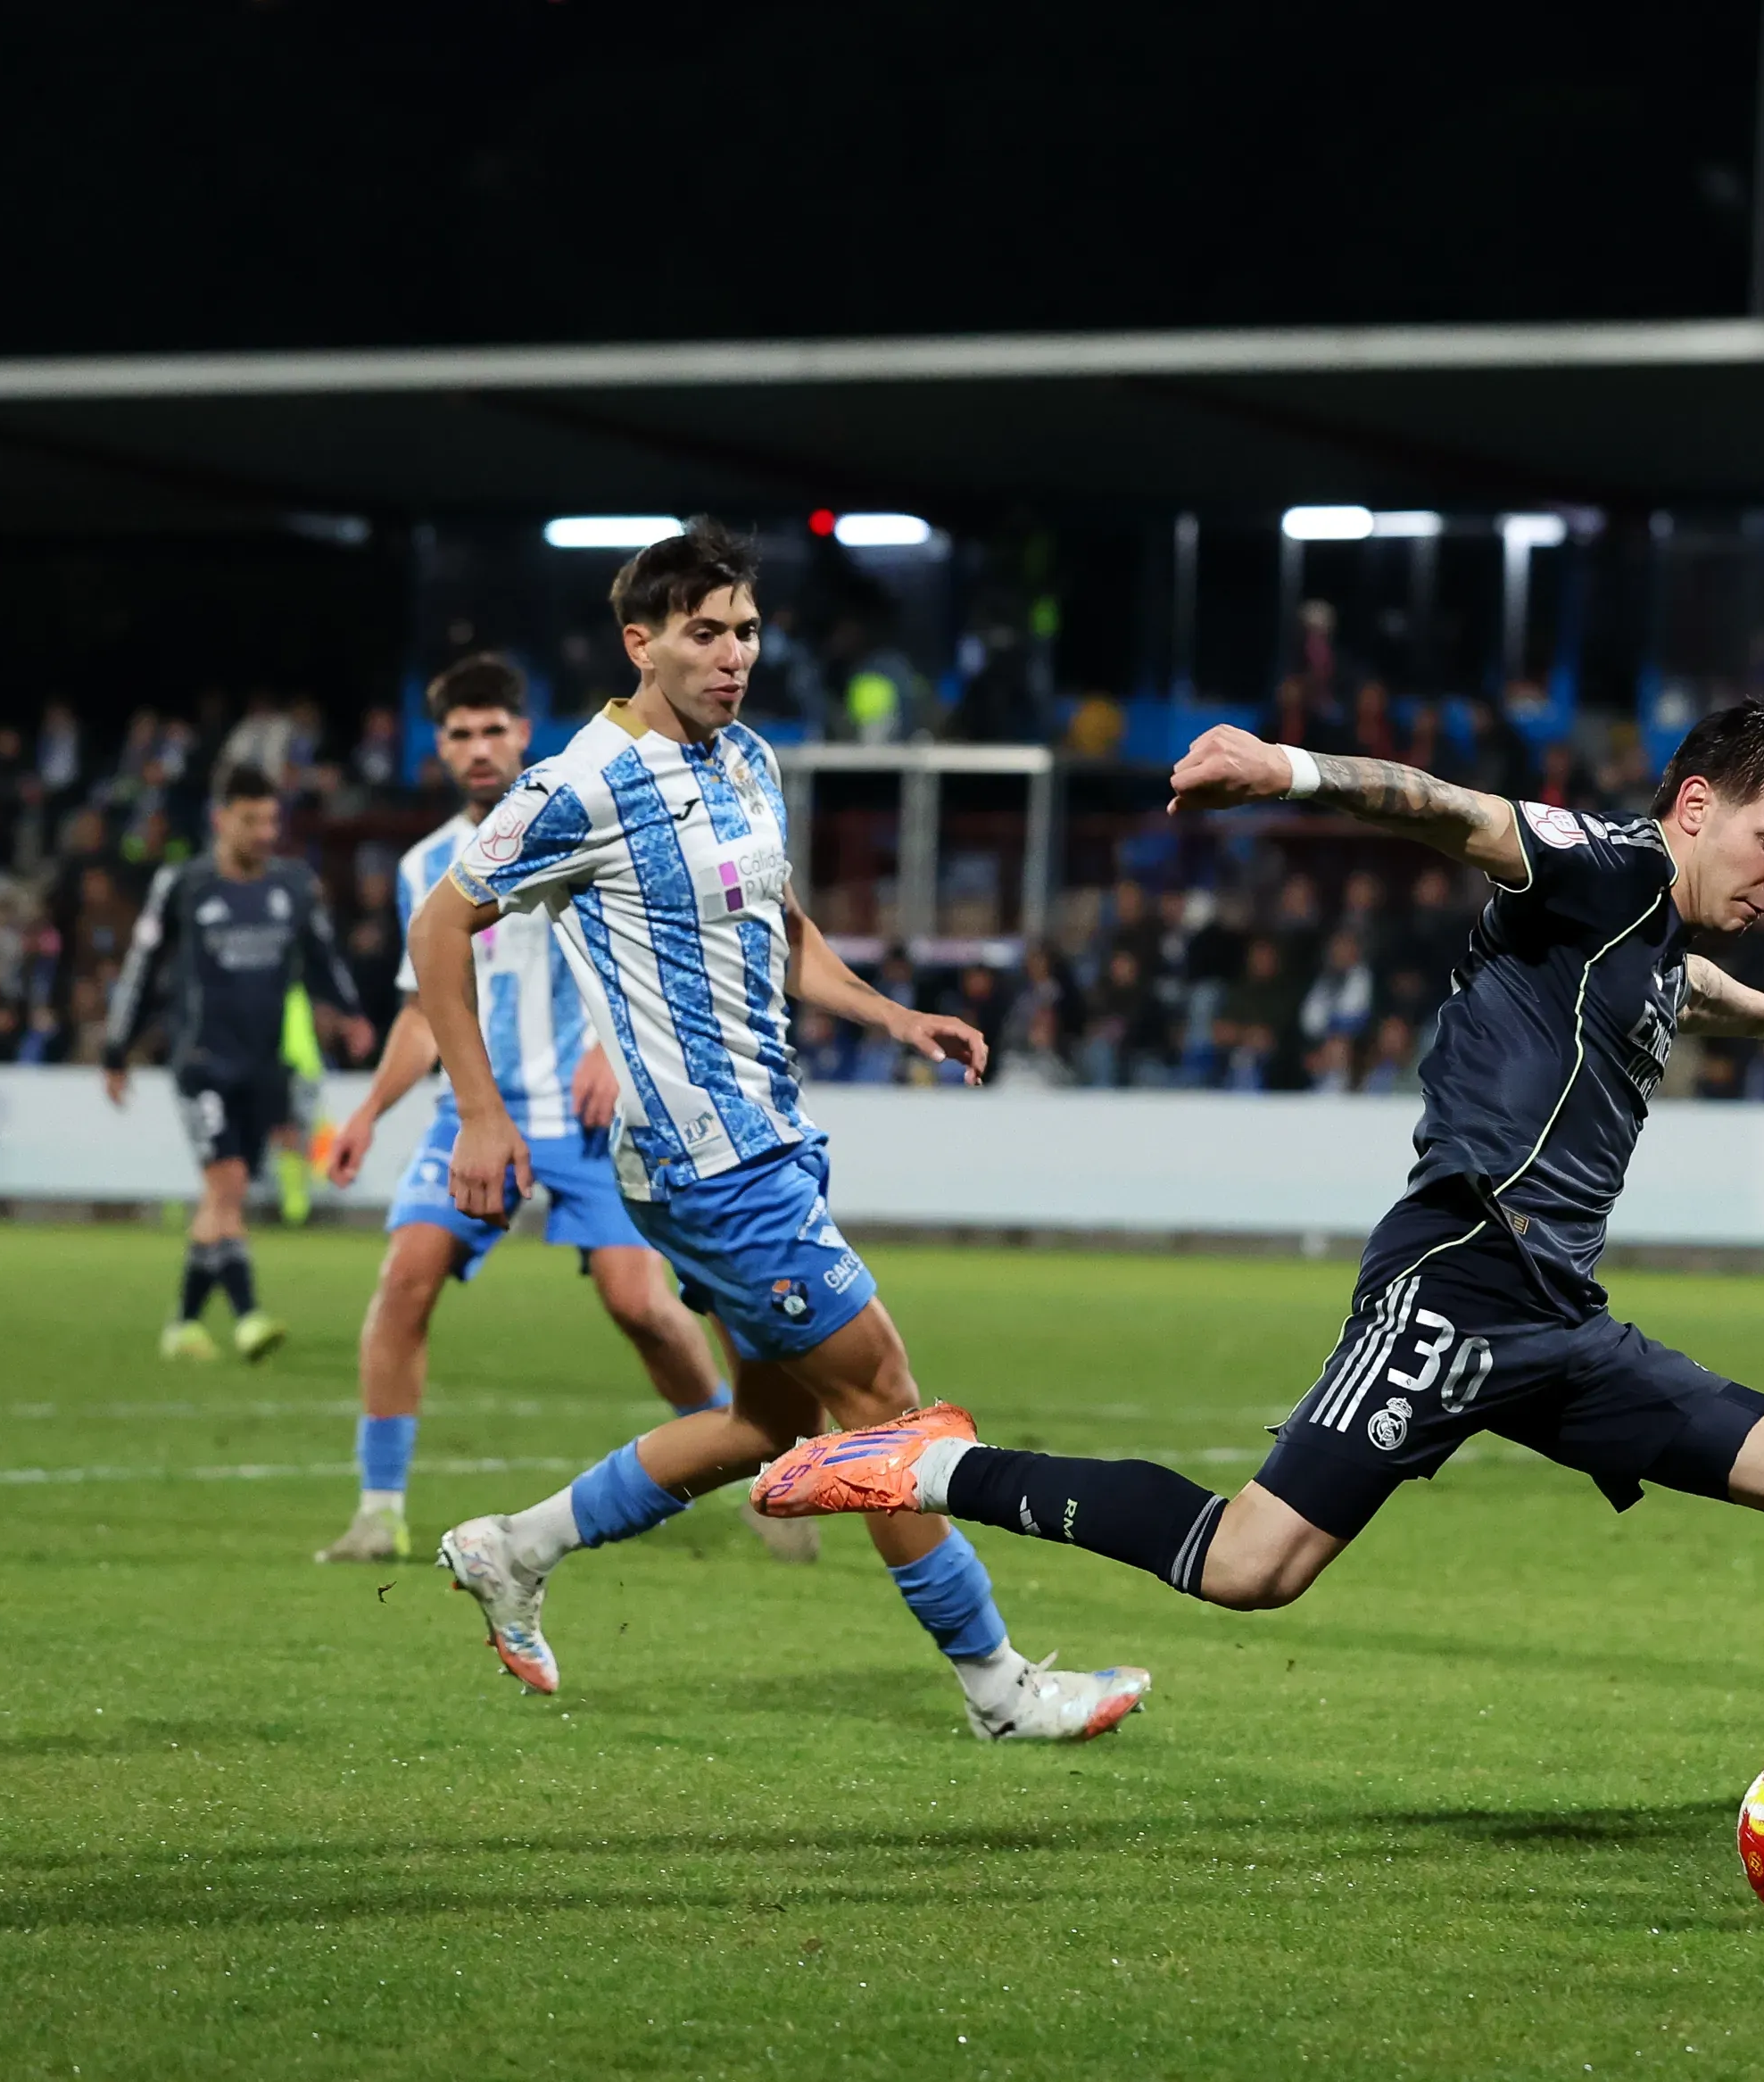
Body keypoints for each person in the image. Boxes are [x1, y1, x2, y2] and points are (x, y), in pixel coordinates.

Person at [757, 704, 1764, 1819]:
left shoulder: (1651, 919)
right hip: (1457, 1284)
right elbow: (1461, 816)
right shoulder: (1602, 862)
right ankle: (933, 1462)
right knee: (1248, 1563)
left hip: (1559, 1319)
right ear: (1696, 805)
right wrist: (1292, 771)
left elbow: (1674, 976)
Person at [411, 520, 1145, 1741]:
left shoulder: (747, 758)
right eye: (706, 633)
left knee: (771, 1424)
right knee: (888, 1412)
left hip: (767, 1138)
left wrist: (892, 1013)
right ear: (640, 643)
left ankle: (512, 1547)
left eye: (747, 629)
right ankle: (999, 1689)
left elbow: (782, 925)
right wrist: (481, 1116)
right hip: (709, 1164)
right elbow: (442, 929)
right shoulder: (580, 783)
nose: (735, 653)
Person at [317, 655, 803, 1570]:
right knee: (404, 1278)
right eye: (458, 733)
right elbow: (423, 1008)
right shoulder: (427, 864)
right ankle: (378, 1509)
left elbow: (643, 948)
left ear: (521, 731)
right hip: (477, 1114)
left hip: (590, 1120)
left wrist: (605, 1053)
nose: (477, 747)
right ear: (442, 747)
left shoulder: (576, 815)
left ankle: (743, 1466)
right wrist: (369, 1111)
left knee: (645, 1308)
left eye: (493, 727)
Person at [102, 762, 371, 1362]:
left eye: (272, 820)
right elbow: (143, 968)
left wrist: (351, 1013)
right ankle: (249, 1314)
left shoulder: (295, 885)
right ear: (222, 820)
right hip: (201, 1061)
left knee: (224, 1195)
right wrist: (117, 1048)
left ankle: (184, 1323)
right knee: (225, 1184)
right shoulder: (185, 883)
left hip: (262, 1063)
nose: (265, 832)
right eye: (251, 820)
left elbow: (323, 955)